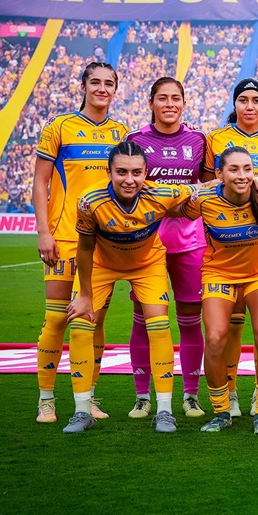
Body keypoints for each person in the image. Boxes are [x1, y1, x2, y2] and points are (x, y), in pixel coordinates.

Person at [65, 141, 196, 433]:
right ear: (108, 172)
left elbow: (205, 188)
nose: (129, 179)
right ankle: (82, 411)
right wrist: (85, 296)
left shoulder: (162, 193)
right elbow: (84, 249)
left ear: (146, 173)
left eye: (136, 172)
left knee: (159, 326)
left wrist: (254, 179)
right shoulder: (89, 201)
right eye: (121, 172)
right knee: (80, 326)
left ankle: (164, 411)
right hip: (101, 264)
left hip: (147, 263)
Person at [33, 62, 127, 423]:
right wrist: (44, 232)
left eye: (109, 83)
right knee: (56, 317)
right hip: (64, 236)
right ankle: (46, 399)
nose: (102, 88)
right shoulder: (59, 127)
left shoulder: (121, 133)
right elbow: (40, 182)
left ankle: (88, 397)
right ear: (83, 86)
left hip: (104, 242)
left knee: (94, 320)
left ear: (115, 89)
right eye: (96, 82)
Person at [125, 77, 207, 420]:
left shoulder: (198, 140)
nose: (170, 104)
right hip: (148, 243)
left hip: (190, 243)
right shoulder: (135, 140)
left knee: (190, 320)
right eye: (163, 98)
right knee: (144, 320)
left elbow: (208, 188)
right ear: (151, 103)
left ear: (183, 103)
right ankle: (143, 396)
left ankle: (191, 395)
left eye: (176, 98)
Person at [202, 78, 258, 418]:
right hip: (224, 245)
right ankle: (230, 395)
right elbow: (204, 187)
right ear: (234, 104)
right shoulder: (215, 139)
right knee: (227, 329)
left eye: (256, 101)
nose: (250, 106)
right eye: (243, 100)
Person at [185, 146, 258, 435]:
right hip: (219, 272)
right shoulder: (204, 200)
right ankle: (221, 411)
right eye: (234, 169)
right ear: (219, 174)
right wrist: (205, 187)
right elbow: (175, 205)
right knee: (215, 338)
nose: (242, 175)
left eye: (248, 169)